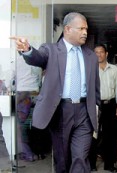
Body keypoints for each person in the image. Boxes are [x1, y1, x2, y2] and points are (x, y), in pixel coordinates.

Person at [10, 12, 101, 173]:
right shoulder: (51, 50)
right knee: (62, 159)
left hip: (84, 112)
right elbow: (37, 58)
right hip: (60, 111)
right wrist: (28, 50)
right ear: (67, 29)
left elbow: (95, 87)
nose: (85, 32)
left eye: (86, 29)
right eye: (81, 28)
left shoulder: (90, 56)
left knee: (81, 156)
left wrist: (96, 108)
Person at [94, 44, 117, 172]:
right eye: (96, 52)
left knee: (110, 136)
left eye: (101, 52)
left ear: (106, 54)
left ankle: (110, 164)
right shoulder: (91, 69)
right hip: (95, 105)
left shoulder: (114, 69)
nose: (98, 54)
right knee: (93, 135)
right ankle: (91, 163)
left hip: (110, 105)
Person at [16, 57, 42, 162]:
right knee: (33, 127)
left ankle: (29, 154)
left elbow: (12, 78)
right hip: (34, 96)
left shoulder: (17, 61)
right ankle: (37, 153)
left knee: (21, 129)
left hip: (23, 96)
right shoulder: (36, 62)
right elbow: (39, 80)